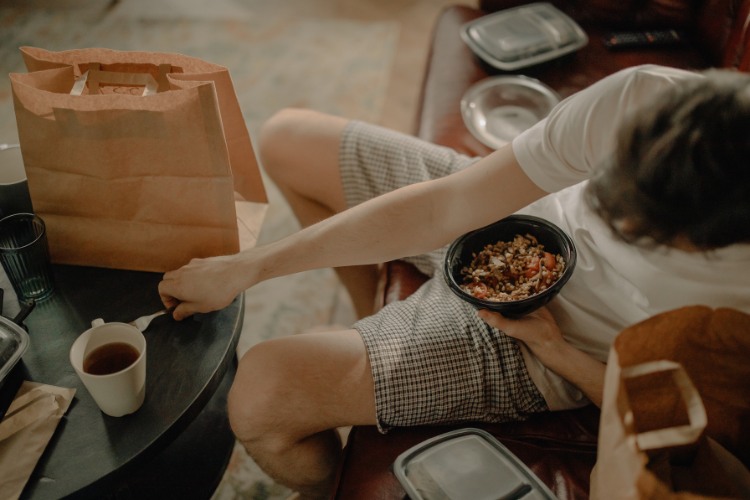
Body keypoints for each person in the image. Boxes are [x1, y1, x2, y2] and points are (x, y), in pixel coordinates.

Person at [158, 64, 750, 499]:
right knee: (288, 139)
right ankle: (373, 320)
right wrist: (250, 268)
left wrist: (556, 352)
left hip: (555, 345)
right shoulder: (643, 97)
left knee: (261, 395)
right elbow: (449, 206)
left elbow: (693, 432)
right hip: (531, 218)